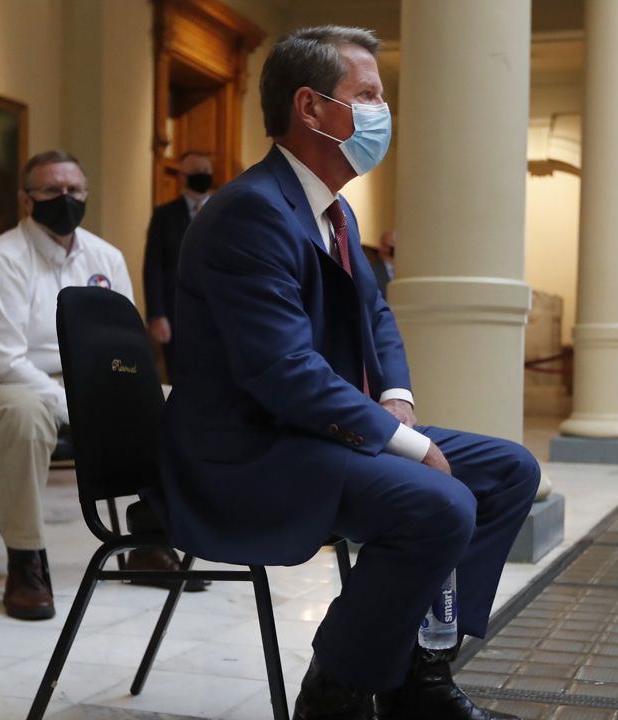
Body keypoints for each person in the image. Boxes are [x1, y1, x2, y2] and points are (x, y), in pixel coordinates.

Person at [154, 25, 537, 720]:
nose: (380, 112)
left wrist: (396, 396)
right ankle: (336, 685)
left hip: (313, 435)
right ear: (310, 108)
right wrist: (412, 448)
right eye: (366, 95)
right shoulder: (251, 214)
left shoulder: (330, 209)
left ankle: (416, 678)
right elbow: (284, 374)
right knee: (440, 500)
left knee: (508, 470)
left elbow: (376, 315)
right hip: (247, 449)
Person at [0, 150, 205, 621]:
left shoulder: (106, 258)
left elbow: (123, 343)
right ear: (26, 201)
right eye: (51, 191)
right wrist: (77, 406)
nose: (66, 199)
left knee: (176, 405)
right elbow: (2, 362)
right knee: (24, 413)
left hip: (81, 387)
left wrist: (120, 396)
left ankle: (146, 541)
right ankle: (26, 563)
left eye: (74, 190)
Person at [143, 151, 214, 375]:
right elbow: (153, 265)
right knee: (180, 375)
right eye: (196, 172)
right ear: (182, 177)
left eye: (206, 172)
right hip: (177, 312)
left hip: (218, 310)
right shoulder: (164, 215)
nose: (202, 176)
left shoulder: (226, 210)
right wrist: (157, 314)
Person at [361, 228, 394, 297]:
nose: (381, 248)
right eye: (382, 245)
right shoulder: (371, 270)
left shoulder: (406, 271)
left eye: (388, 246)